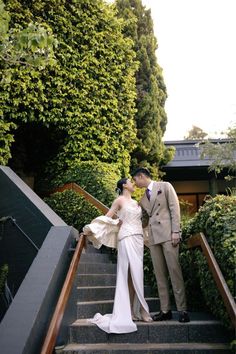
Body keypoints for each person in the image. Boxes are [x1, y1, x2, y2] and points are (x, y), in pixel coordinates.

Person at [82, 177, 152, 334]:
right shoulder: (119, 200)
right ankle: (134, 311)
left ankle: (135, 312)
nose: (133, 183)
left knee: (136, 274)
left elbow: (143, 221)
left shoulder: (136, 203)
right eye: (130, 182)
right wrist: (93, 228)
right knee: (127, 273)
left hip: (138, 239)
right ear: (124, 186)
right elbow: (108, 217)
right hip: (125, 237)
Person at [131, 167, 190, 323]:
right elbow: (143, 221)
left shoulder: (165, 186)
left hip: (169, 235)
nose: (134, 183)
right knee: (160, 275)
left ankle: (182, 310)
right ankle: (165, 310)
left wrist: (176, 231)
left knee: (174, 272)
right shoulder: (143, 199)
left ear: (141, 176)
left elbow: (174, 209)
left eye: (135, 180)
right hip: (153, 239)